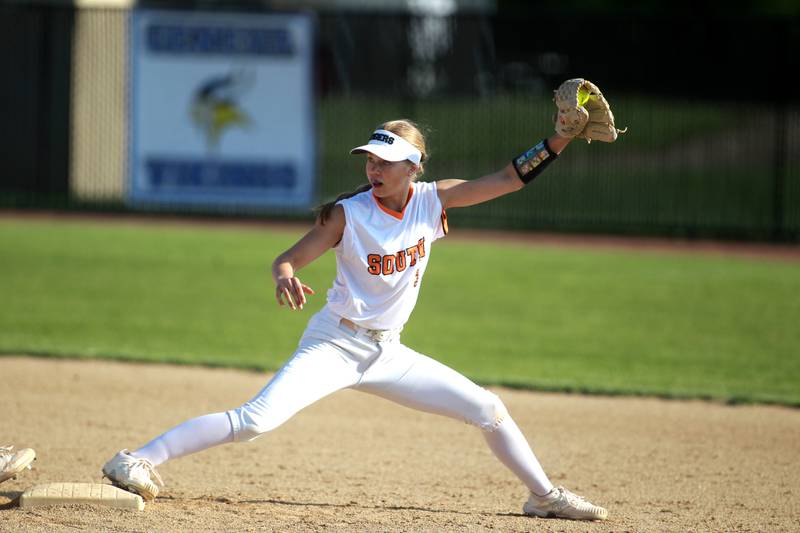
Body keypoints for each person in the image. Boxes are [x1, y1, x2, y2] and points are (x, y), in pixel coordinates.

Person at [102, 113, 609, 521]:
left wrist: (560, 138)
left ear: (414, 165)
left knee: (488, 408)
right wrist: (284, 276)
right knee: (256, 421)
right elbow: (288, 258)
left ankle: (543, 496)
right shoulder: (347, 213)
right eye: (370, 159)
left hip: (388, 353)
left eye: (385, 161)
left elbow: (509, 178)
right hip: (334, 345)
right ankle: (138, 458)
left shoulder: (433, 201)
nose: (373, 168)